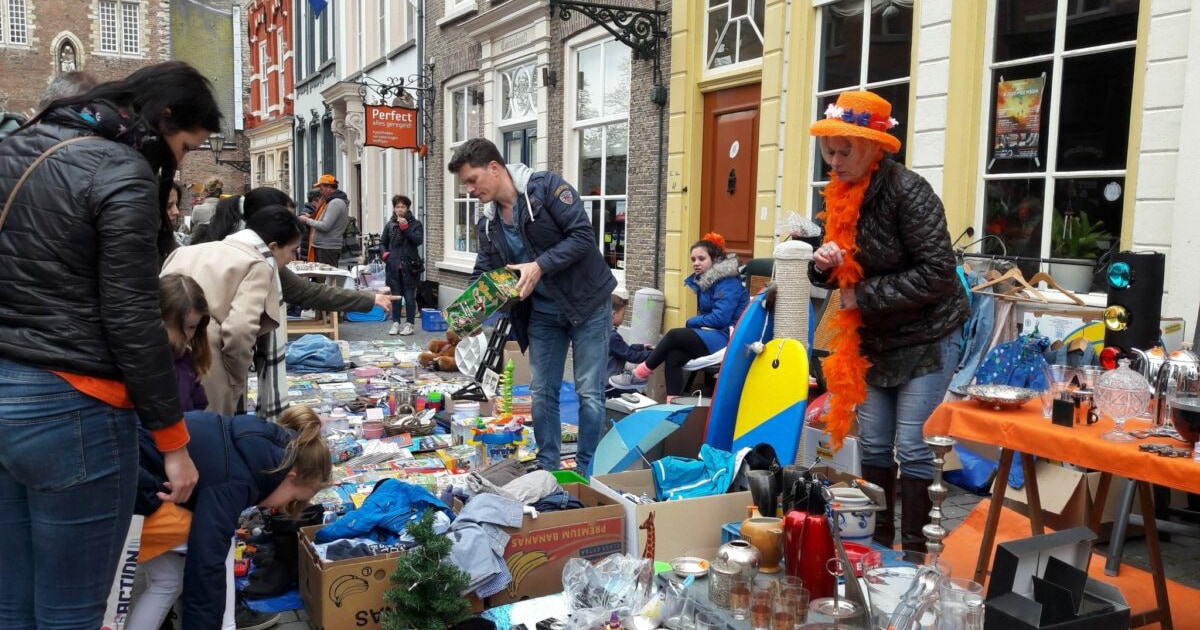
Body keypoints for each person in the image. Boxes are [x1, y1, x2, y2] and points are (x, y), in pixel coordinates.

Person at [0, 60, 214, 629]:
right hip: (74, 405)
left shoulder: (19, 145)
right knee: (73, 608)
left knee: (13, 600)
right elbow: (131, 316)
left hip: (6, 390)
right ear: (163, 118)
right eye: (186, 145)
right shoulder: (118, 167)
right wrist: (173, 441)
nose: (181, 160)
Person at [807, 90, 969, 552]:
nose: (834, 162)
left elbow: (938, 272)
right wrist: (821, 264)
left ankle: (916, 549)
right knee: (875, 444)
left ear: (873, 148)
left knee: (914, 448)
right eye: (829, 152)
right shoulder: (839, 194)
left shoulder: (909, 191)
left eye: (844, 152)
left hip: (929, 335)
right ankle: (876, 544)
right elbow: (829, 273)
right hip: (875, 338)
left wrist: (863, 294)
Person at [449, 138, 616, 473]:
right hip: (541, 313)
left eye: (471, 180)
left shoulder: (546, 189)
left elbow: (583, 237)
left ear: (494, 168)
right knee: (541, 391)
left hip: (587, 303)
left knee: (588, 392)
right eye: (465, 183)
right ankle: (549, 466)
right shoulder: (488, 222)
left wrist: (539, 266)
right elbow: (485, 270)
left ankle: (587, 470)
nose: (468, 189)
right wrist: (465, 312)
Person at [126, 406, 330, 630]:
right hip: (130, 488)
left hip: (131, 471)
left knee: (167, 580)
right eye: (292, 500)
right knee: (219, 552)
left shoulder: (262, 446)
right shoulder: (238, 482)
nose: (284, 508)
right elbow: (206, 566)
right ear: (291, 475)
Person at [162, 206, 302, 418]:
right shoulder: (257, 266)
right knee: (207, 437)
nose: (293, 258)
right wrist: (234, 379)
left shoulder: (183, 252)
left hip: (161, 356)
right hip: (209, 362)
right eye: (293, 250)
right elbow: (240, 330)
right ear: (273, 247)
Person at [198, 186, 393, 318]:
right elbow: (237, 329)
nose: (293, 257)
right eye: (285, 219)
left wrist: (370, 298)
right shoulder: (254, 261)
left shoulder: (241, 248)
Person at [610, 234, 749, 399]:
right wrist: (697, 324)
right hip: (712, 334)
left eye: (701, 259)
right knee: (673, 355)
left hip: (728, 337)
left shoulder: (728, 282)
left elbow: (720, 319)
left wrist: (691, 322)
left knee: (674, 335)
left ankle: (640, 374)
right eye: (693, 259)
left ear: (715, 259)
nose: (696, 263)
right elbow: (709, 317)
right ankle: (672, 405)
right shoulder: (706, 282)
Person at [381, 194, 424, 336]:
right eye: (397, 207)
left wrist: (406, 229)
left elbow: (418, 241)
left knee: (410, 296)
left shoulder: (416, 224)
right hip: (393, 266)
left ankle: (410, 324)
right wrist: (385, 255)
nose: (400, 210)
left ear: (407, 208)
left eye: (403, 207)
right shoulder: (390, 225)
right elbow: (383, 243)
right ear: (394, 209)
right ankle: (395, 323)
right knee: (396, 296)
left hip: (410, 266)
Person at [606, 289, 653, 396]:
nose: (623, 318)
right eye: (623, 314)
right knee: (639, 395)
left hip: (602, 381)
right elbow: (631, 356)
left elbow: (622, 350)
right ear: (613, 314)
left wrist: (640, 347)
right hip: (610, 383)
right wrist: (654, 354)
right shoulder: (612, 336)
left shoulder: (604, 332)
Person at [300, 173, 349, 267]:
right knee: (323, 278)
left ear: (328, 188)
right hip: (325, 246)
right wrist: (310, 217)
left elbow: (325, 226)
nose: (320, 192)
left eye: (321, 189)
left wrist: (306, 220)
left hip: (327, 247)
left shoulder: (335, 203)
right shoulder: (332, 201)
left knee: (325, 278)